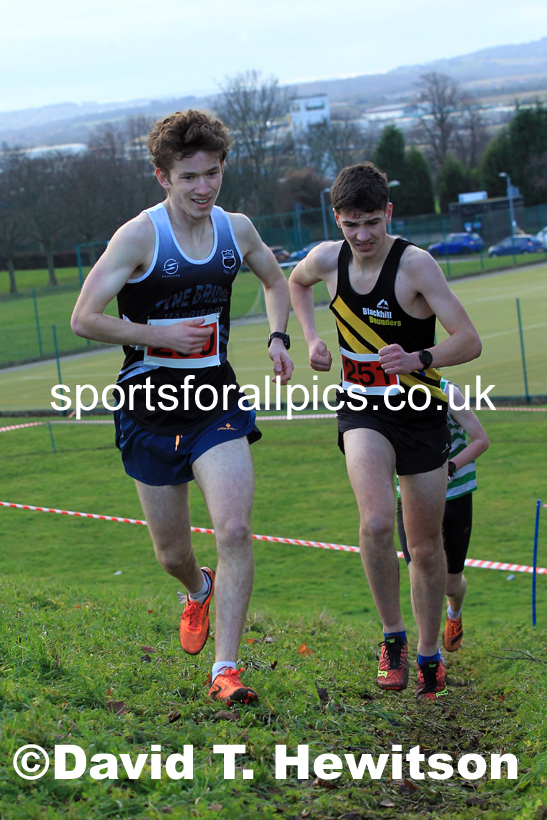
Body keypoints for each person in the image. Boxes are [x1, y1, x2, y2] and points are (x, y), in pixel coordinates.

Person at [71, 109, 293, 705]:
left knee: (236, 528)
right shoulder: (139, 236)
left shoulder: (236, 229)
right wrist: (158, 337)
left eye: (213, 174)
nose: (203, 188)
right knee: (171, 552)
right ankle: (197, 589)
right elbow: (84, 318)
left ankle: (226, 670)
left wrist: (278, 337)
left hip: (215, 400)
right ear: (162, 176)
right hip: (150, 407)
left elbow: (275, 281)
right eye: (189, 176)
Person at [289, 162, 481, 701]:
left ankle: (428, 651)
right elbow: (295, 283)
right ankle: (392, 640)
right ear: (337, 219)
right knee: (375, 521)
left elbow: (469, 340)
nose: (363, 235)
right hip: (361, 410)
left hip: (419, 410)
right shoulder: (328, 259)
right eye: (352, 224)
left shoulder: (416, 266)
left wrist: (420, 355)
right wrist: (309, 340)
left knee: (424, 547)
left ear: (388, 213)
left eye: (372, 221)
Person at [397, 378, 489, 653]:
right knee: (419, 573)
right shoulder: (386, 395)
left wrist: (449, 467)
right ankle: (430, 650)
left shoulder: (449, 392)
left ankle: (454, 612)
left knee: (450, 583)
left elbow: (481, 440)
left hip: (455, 496)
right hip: (411, 498)